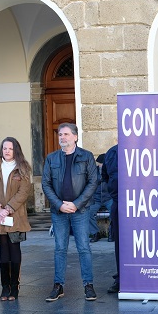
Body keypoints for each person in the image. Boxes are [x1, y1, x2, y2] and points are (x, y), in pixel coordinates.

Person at [41, 123, 99, 302]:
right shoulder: (52, 159)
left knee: (83, 248)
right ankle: (58, 286)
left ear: (75, 137)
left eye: (66, 134)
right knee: (60, 249)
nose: (62, 137)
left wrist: (76, 204)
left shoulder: (86, 156)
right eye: (60, 134)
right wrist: (59, 204)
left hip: (80, 210)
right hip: (59, 212)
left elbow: (93, 182)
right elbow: (46, 183)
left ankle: (88, 285)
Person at [0, 137, 32, 301]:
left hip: (15, 216)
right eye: (4, 148)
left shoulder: (23, 168)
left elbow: (24, 192)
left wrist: (9, 209)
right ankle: (5, 287)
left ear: (16, 150)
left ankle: (15, 287)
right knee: (3, 250)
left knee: (14, 248)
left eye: (10, 148)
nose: (7, 151)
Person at [103, 144, 120, 294]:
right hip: (119, 203)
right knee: (120, 243)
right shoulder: (112, 152)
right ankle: (120, 279)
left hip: (144, 205)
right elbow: (106, 177)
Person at [87, 153, 107, 243]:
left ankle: (112, 233)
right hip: (96, 199)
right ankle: (95, 233)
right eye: (100, 163)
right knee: (89, 213)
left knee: (116, 212)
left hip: (108, 198)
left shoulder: (110, 170)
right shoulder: (93, 172)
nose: (102, 165)